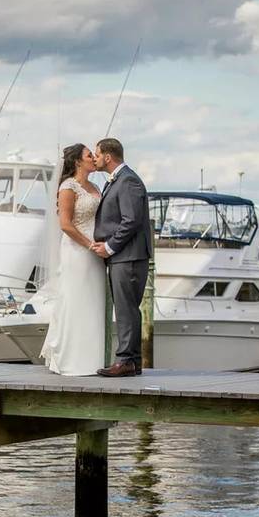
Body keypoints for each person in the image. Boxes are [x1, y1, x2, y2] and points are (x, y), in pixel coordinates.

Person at [40, 143, 109, 375]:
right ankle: (72, 359)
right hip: (78, 250)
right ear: (79, 161)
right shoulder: (68, 187)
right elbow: (66, 225)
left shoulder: (96, 185)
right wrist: (89, 244)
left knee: (93, 301)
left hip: (97, 251)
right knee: (76, 299)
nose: (94, 158)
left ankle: (94, 358)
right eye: (90, 155)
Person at [90, 138, 152, 377]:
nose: (94, 159)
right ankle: (133, 362)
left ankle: (126, 360)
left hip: (129, 256)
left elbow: (131, 220)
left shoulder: (128, 180)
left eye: (97, 155)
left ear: (107, 156)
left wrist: (110, 246)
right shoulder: (118, 180)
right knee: (127, 308)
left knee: (126, 309)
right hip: (125, 257)